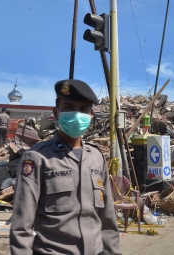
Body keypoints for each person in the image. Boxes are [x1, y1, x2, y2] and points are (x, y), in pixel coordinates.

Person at [10, 79, 121, 255]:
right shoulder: (37, 158)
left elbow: (107, 219)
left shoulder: (97, 157)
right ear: (56, 112)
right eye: (69, 107)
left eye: (83, 109)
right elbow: (21, 225)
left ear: (91, 114)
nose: (77, 115)